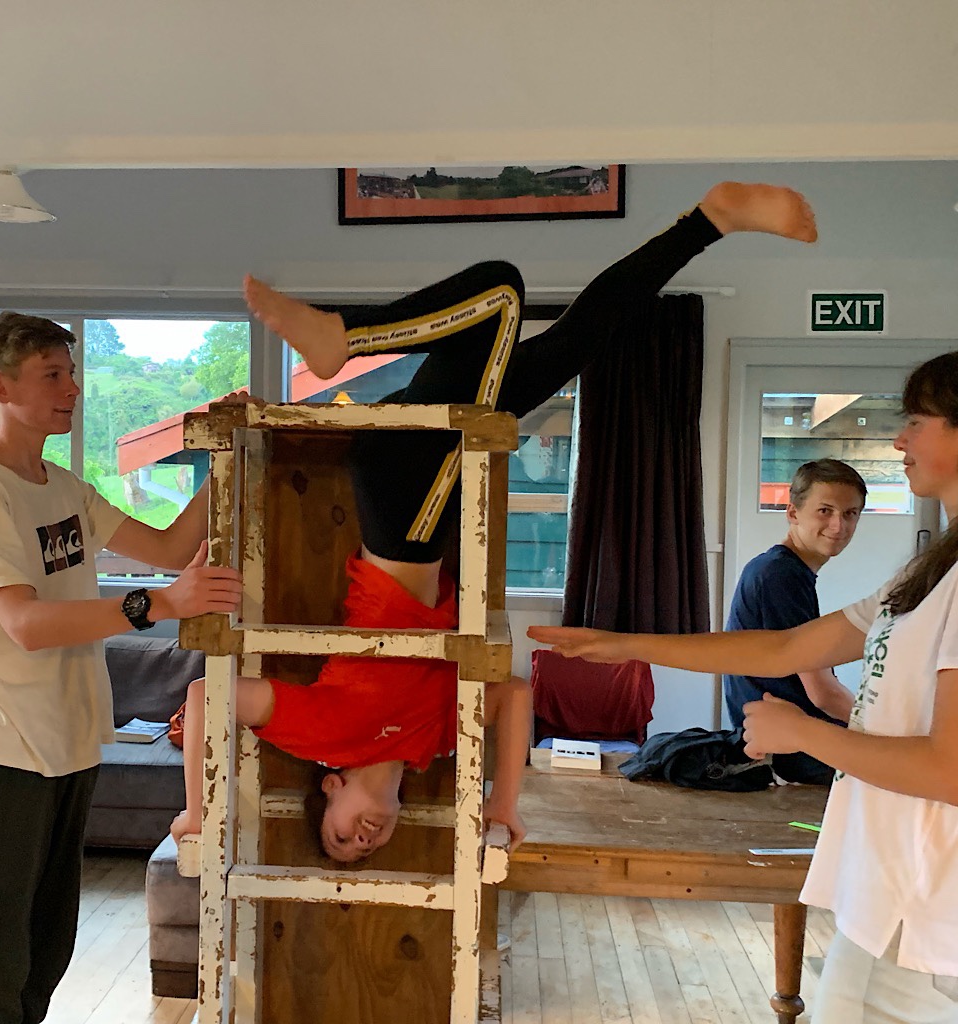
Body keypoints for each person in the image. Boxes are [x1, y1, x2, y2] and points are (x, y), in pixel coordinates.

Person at [170, 181, 819, 865]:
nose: (361, 839)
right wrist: (502, 800)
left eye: (339, 836)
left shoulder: (328, 737)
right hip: (431, 490)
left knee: (502, 292)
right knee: (574, 337)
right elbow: (513, 696)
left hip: (402, 507)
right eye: (367, 848)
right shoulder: (429, 740)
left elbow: (203, 694)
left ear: (331, 789)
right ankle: (709, 220)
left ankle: (343, 338)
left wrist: (193, 808)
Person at [529, 350, 958, 1023]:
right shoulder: (925, 574)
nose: (900, 439)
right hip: (883, 884)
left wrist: (804, 733)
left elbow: (949, 767)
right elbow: (785, 648)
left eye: (917, 421)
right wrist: (622, 644)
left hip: (934, 900)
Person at [0, 312, 243, 1024]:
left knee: (45, 952)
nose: (72, 388)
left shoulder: (64, 487)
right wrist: (159, 606)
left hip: (69, 744)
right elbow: (25, 624)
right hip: (3, 749)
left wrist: (223, 453)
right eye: (52, 374)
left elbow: (167, 548)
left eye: (72, 372)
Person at [724, 458, 867, 784]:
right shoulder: (780, 575)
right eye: (825, 511)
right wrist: (883, 732)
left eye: (850, 514)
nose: (838, 526)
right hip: (788, 755)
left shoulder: (782, 570)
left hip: (783, 742)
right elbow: (822, 694)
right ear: (792, 513)